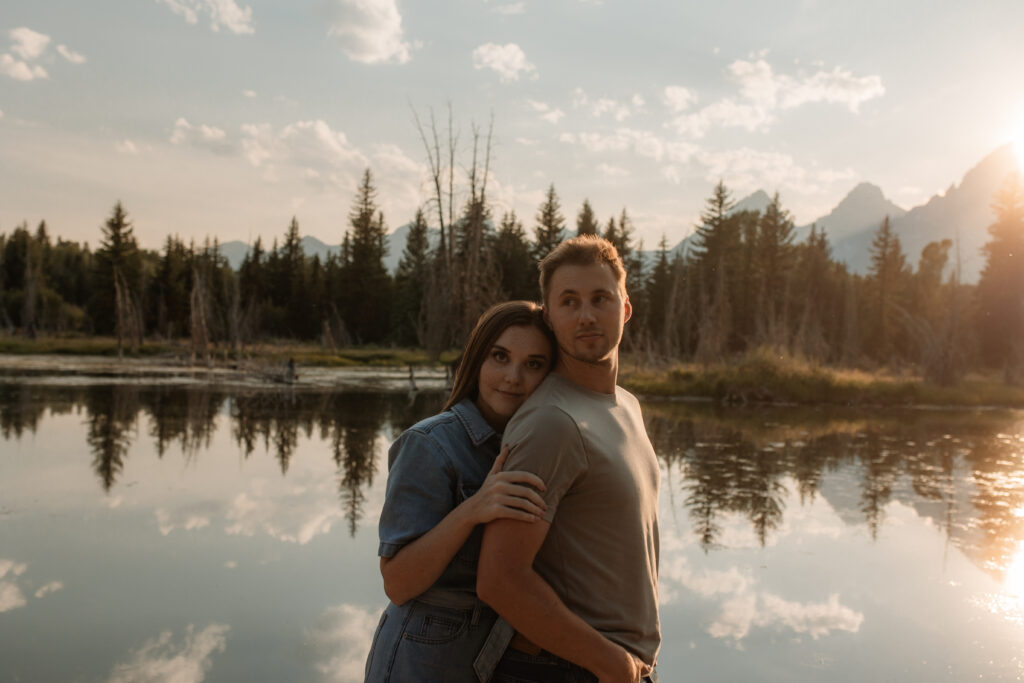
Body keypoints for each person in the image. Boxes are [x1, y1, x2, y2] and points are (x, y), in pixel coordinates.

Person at [477, 235, 661, 683]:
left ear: (626, 308)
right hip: (564, 669)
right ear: (550, 316)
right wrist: (608, 662)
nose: (586, 316)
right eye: (569, 302)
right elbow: (499, 578)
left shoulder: (626, 405)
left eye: (600, 298)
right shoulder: (551, 422)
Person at [365, 301, 557, 683]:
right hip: (423, 658)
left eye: (533, 364)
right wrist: (472, 510)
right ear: (476, 360)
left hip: (494, 657)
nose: (513, 377)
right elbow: (397, 583)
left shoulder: (538, 447)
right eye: (499, 357)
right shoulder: (431, 444)